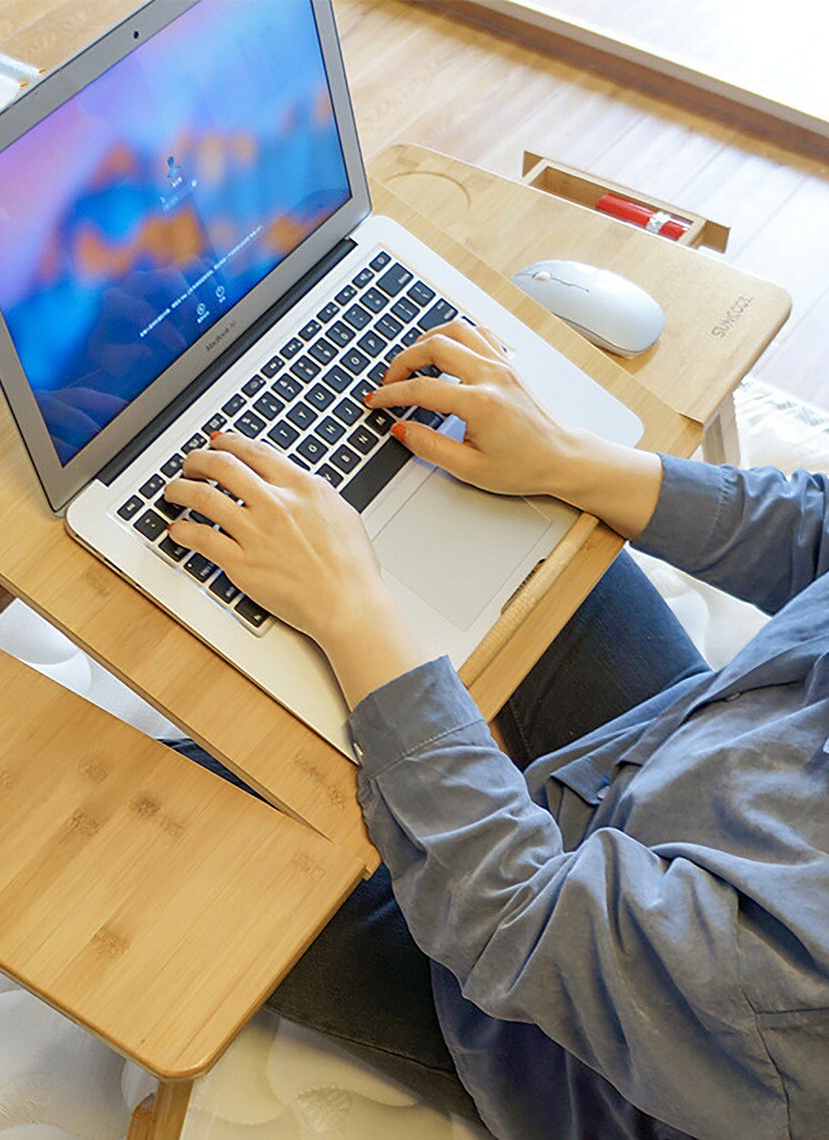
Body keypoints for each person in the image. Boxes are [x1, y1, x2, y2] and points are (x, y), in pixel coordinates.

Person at [161, 319, 828, 1140]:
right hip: (675, 764)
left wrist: (354, 612)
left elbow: (520, 919)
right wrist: (563, 457)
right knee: (491, 512)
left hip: (554, 1032)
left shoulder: (800, 974)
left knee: (138, 801)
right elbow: (817, 533)